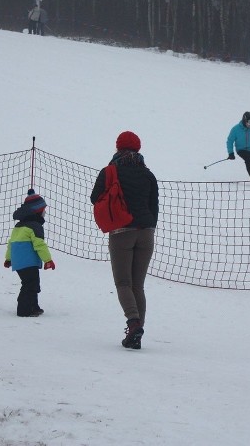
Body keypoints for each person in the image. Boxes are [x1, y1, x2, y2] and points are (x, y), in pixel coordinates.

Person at [90, 131, 159, 350]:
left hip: (121, 232)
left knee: (123, 283)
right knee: (138, 284)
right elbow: (153, 206)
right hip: (146, 232)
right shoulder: (148, 174)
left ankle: (133, 323)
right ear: (138, 148)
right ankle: (136, 332)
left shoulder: (110, 170)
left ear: (118, 147)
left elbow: (94, 197)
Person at [3, 189, 56, 317]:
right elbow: (39, 245)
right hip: (27, 262)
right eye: (43, 210)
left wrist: (8, 259)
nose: (44, 212)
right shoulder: (35, 226)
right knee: (30, 285)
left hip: (19, 262)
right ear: (37, 211)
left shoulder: (19, 226)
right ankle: (24, 310)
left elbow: (12, 243)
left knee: (32, 283)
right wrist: (48, 260)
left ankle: (34, 307)